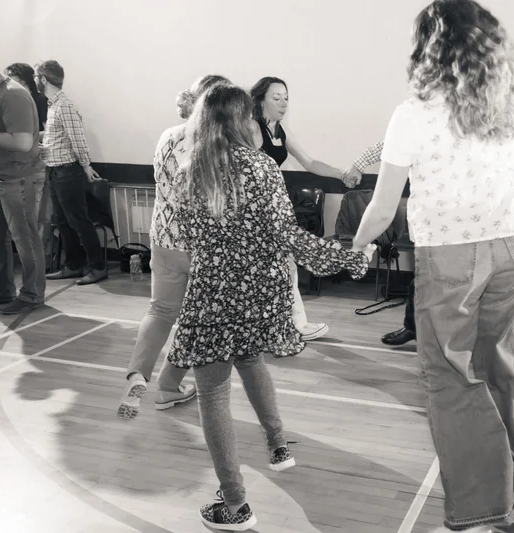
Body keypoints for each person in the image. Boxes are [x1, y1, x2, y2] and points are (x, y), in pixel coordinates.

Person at [352, 1, 514, 531]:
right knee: (506, 371)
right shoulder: (508, 106)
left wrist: (355, 245)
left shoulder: (414, 113)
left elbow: (381, 204)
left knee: (453, 380)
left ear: (429, 47)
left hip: (451, 258)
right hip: (512, 250)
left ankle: (484, 509)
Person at [166, 83, 373, 531]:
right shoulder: (261, 167)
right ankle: (278, 446)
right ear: (243, 121)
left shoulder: (188, 171)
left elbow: (185, 238)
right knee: (250, 360)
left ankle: (235, 504)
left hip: (213, 295)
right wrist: (349, 258)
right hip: (260, 295)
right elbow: (286, 235)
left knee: (213, 394)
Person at [116, 74, 231, 420]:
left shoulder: (168, 136)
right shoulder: (221, 145)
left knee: (160, 311)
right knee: (196, 323)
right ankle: (169, 386)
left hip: (164, 239)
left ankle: (138, 374)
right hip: (203, 248)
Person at [249, 76, 357, 342]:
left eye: (286, 97)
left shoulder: (280, 130)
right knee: (273, 267)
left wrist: (341, 174)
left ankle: (290, 325)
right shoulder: (252, 127)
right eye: (276, 98)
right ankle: (285, 325)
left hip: (275, 207)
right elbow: (246, 168)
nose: (283, 103)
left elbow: (309, 162)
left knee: (284, 265)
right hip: (256, 210)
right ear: (261, 100)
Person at [37, 60, 108, 286]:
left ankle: (97, 267)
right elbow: (59, 139)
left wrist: (86, 166)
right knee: (62, 221)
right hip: (55, 172)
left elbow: (78, 139)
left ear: (44, 79)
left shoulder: (64, 106)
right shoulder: (53, 105)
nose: (36, 82)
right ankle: (74, 265)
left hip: (68, 173)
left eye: (37, 78)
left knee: (79, 221)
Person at [343, 141, 418, 346]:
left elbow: (383, 210)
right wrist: (357, 165)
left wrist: (358, 246)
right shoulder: (417, 119)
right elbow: (390, 143)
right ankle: (413, 327)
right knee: (421, 280)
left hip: (460, 230)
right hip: (430, 228)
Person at [0, 53, 46, 315]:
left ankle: (32, 294)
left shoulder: (13, 95)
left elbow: (23, 143)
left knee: (24, 237)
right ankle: (1, 290)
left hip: (19, 178)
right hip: (0, 175)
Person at [3, 63, 48, 130]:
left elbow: (48, 133)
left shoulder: (41, 100)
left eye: (10, 77)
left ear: (23, 80)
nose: (6, 81)